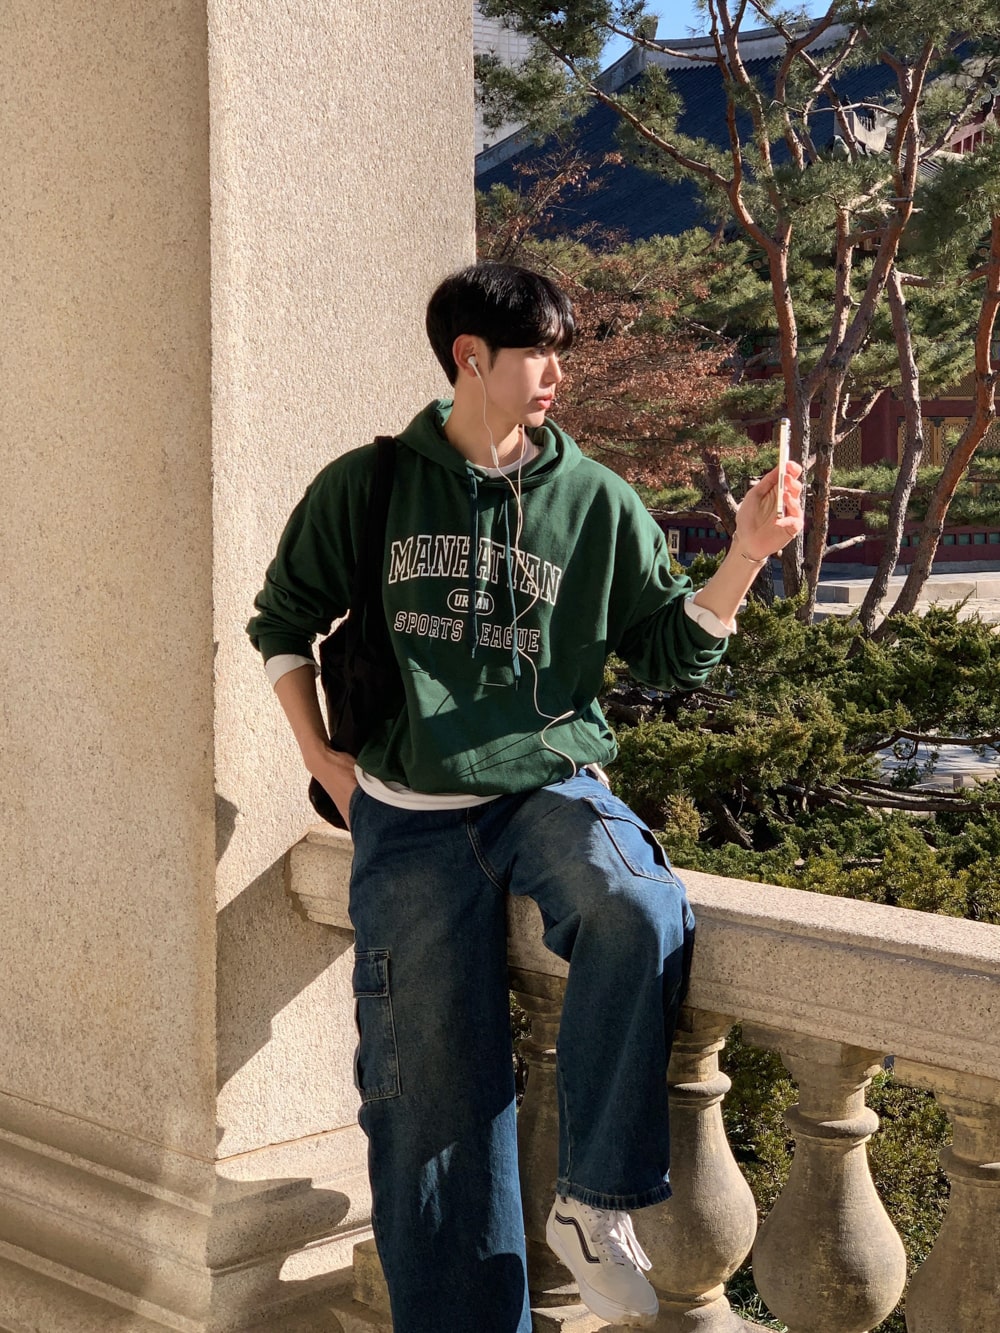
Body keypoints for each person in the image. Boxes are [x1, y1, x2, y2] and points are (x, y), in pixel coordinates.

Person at [247, 262, 803, 1332]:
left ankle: (594, 1202)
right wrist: (323, 760)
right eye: (537, 352)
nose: (556, 372)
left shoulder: (593, 499)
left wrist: (744, 553)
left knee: (636, 905)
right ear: (470, 358)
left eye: (560, 351)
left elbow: (668, 650)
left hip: (548, 786)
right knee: (427, 1111)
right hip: (409, 818)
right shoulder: (368, 485)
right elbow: (281, 622)